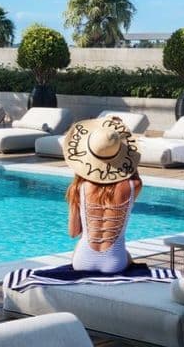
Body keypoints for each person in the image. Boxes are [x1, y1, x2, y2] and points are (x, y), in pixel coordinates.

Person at [62, 115, 143, 274]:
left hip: (82, 262)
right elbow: (132, 168)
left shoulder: (78, 187)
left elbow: (73, 232)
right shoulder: (135, 186)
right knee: (128, 256)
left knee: (81, 244)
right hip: (115, 263)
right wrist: (121, 138)